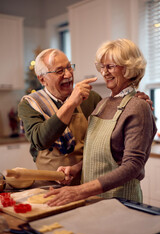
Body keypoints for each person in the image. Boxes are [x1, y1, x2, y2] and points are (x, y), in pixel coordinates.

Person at [44, 39, 157, 206]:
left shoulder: (138, 106)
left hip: (120, 202)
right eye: (102, 66)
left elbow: (133, 165)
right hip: (93, 199)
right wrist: (77, 169)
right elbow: (102, 154)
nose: (104, 72)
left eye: (110, 66)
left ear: (128, 68)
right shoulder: (102, 104)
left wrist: (80, 191)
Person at [18, 48, 152, 186]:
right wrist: (71, 103)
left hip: (91, 183)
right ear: (42, 79)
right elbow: (40, 140)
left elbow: (113, 134)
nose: (68, 74)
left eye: (69, 67)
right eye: (59, 71)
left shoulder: (90, 98)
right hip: (49, 185)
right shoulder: (30, 104)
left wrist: (135, 103)